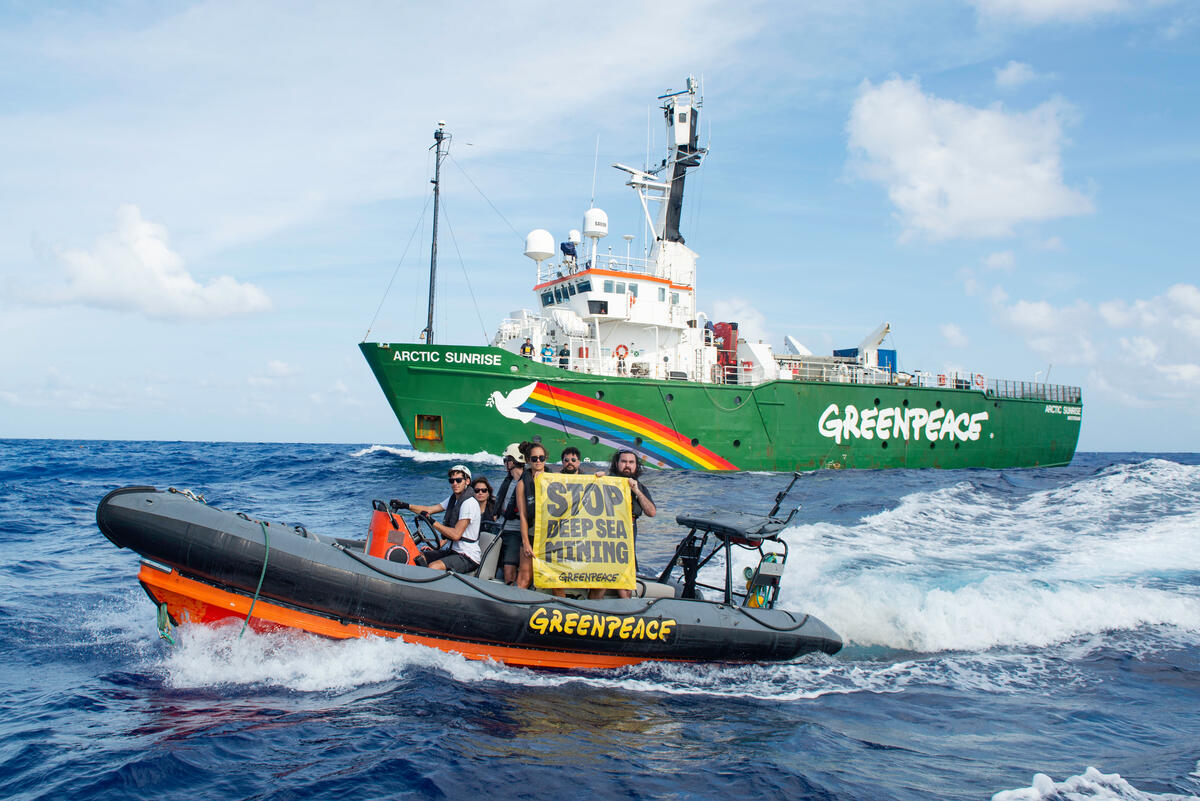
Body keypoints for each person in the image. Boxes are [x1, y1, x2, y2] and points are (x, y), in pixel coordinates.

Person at [591, 449, 656, 599]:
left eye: (631, 462)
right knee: (600, 584)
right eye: (624, 462)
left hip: (626, 544)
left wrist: (637, 491)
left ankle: (627, 619)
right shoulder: (605, 480)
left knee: (625, 588)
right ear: (616, 463)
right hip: (604, 542)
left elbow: (651, 512)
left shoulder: (639, 487)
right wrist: (596, 480)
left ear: (636, 466)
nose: (627, 465)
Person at [395, 465, 482, 573]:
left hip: (468, 556)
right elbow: (430, 509)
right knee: (417, 556)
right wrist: (406, 506)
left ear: (467, 481)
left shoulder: (469, 503)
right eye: (452, 481)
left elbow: (456, 535)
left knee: (433, 567)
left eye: (458, 480)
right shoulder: (453, 499)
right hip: (453, 551)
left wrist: (432, 522)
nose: (455, 483)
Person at [515, 441, 549, 591]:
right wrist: (526, 542)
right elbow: (522, 515)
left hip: (550, 536)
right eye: (534, 458)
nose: (538, 461)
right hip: (532, 533)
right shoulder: (523, 484)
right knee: (525, 577)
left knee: (553, 578)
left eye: (541, 458)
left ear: (546, 459)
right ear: (528, 460)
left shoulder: (554, 478)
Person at [492, 443, 525, 584]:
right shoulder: (509, 480)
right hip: (501, 528)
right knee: (496, 566)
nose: (505, 463)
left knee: (508, 569)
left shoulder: (526, 481)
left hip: (515, 532)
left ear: (514, 461)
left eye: (506, 460)